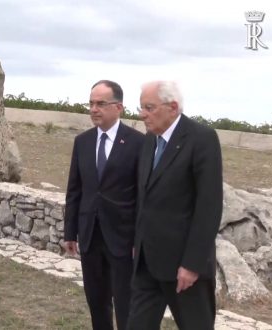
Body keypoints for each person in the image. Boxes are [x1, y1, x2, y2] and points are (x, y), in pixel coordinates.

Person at [127, 81, 223, 330]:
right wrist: (138, 242)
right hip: (147, 262)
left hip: (184, 269)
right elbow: (144, 197)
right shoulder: (150, 140)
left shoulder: (201, 139)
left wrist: (192, 264)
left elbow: (208, 207)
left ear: (172, 107)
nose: (142, 114)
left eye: (149, 107)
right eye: (141, 107)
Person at [64, 80, 144, 330]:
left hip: (123, 240)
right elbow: (75, 190)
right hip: (90, 237)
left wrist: (139, 240)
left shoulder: (138, 143)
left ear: (118, 107)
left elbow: (143, 196)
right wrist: (70, 232)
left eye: (101, 103)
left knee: (126, 305)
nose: (94, 109)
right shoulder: (83, 142)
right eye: (91, 103)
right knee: (97, 303)